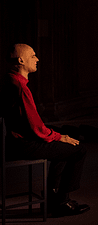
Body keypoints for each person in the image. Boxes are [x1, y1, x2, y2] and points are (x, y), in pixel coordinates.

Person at [1, 44, 90, 217]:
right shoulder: (20, 86)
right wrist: (58, 136)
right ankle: (60, 202)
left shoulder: (9, 79)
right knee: (79, 150)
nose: (37, 59)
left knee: (62, 146)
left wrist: (56, 136)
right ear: (21, 60)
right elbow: (36, 127)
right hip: (23, 144)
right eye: (33, 56)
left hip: (13, 141)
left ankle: (54, 199)